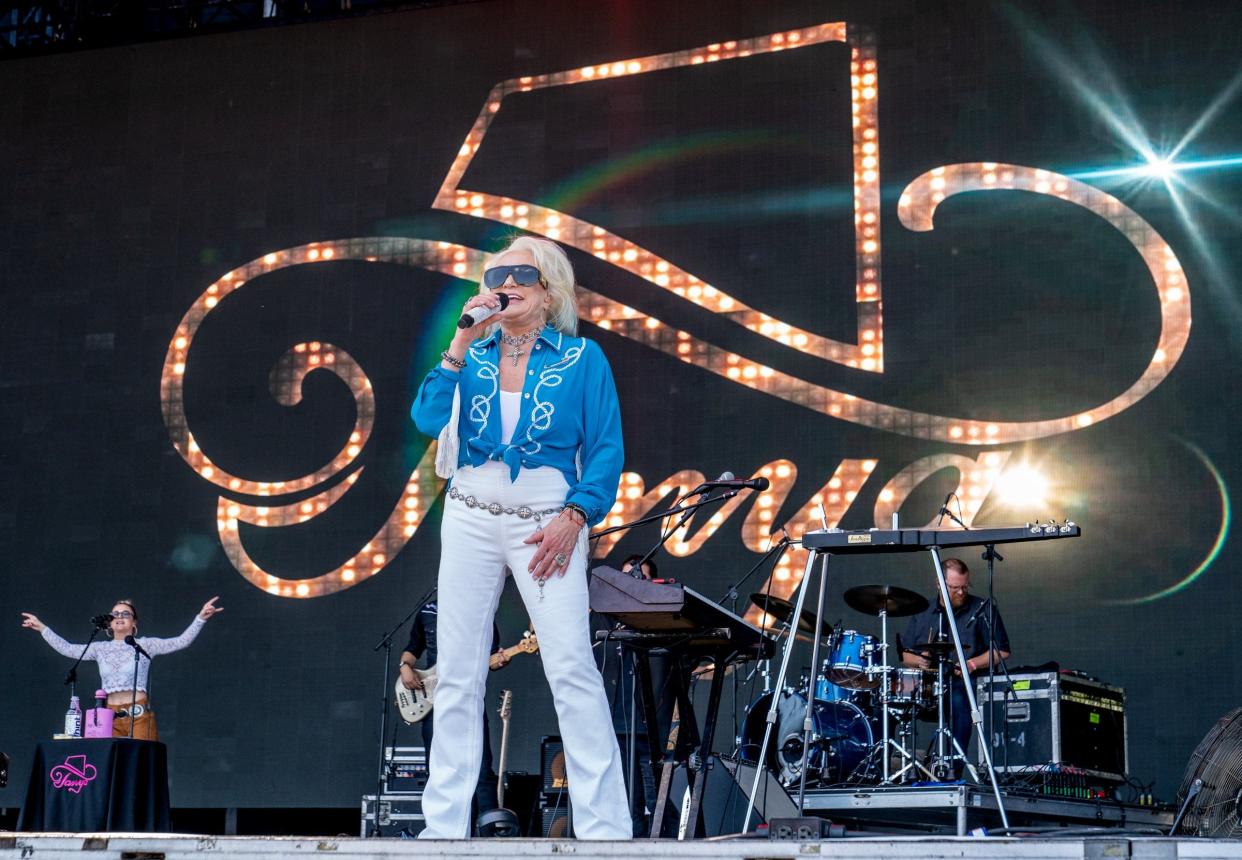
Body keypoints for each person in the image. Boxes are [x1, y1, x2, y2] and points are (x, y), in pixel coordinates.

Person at [410, 236, 629, 839]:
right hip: (472, 510)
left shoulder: (583, 358)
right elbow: (429, 419)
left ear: (549, 291)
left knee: (570, 665)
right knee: (456, 669)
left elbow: (606, 449)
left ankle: (606, 828)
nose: (503, 284)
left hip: (547, 515)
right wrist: (458, 342)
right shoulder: (471, 358)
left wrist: (577, 515)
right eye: (494, 275)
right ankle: (443, 827)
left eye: (519, 276)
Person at [21, 597, 222, 740]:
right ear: (109, 623)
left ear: (134, 622)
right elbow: (68, 648)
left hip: (139, 713)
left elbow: (181, 641)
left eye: (125, 614)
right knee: (112, 764)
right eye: (115, 614)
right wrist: (42, 628)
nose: (120, 616)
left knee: (143, 763)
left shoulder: (145, 644)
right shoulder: (100, 648)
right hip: (108, 715)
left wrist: (200, 618)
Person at [397, 598, 507, 817]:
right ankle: (440, 827)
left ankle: (489, 829)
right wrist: (405, 667)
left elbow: (492, 658)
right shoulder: (428, 611)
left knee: (482, 768)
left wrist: (501, 659)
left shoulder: (480, 611)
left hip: (469, 699)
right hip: (434, 700)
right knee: (436, 767)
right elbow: (412, 649)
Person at [900, 558, 1009, 776]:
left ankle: (952, 768)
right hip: (927, 685)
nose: (961, 592)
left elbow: (1002, 651)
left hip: (963, 684)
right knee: (882, 700)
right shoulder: (923, 612)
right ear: (939, 584)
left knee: (959, 699)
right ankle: (878, 766)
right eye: (954, 587)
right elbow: (905, 654)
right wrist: (918, 661)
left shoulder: (982, 609)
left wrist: (972, 663)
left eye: (964, 586)